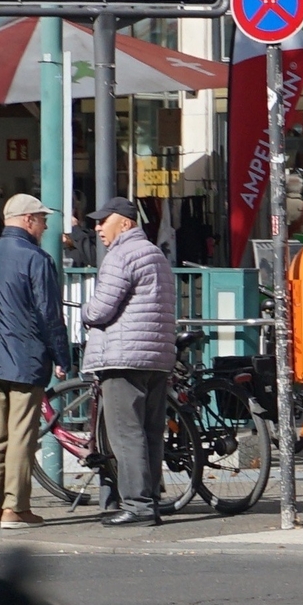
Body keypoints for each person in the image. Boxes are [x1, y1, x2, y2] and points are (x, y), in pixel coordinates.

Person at [80, 199, 174, 528]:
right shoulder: (156, 255)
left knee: (126, 434)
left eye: (103, 220)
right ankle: (151, 500)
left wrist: (85, 312)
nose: (97, 227)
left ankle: (138, 505)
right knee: (149, 433)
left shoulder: (121, 255)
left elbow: (101, 310)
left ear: (126, 223)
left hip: (123, 358)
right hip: (155, 358)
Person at [0, 197, 68, 531]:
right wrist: (62, 357)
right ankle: (16, 508)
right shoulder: (36, 258)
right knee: (22, 436)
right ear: (27, 220)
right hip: (25, 359)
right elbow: (49, 315)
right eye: (42, 219)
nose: (45, 225)